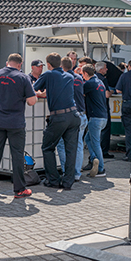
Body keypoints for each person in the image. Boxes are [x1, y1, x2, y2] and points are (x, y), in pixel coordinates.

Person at [0, 53, 37, 199]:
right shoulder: (23, 78)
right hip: (16, 123)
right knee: (17, 155)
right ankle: (19, 190)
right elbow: (32, 101)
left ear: (8, 62)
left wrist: (1, 95)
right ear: (20, 64)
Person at [33, 52, 81, 189]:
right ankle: (68, 182)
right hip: (73, 115)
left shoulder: (48, 74)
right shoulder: (69, 76)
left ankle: (53, 180)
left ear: (48, 65)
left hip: (59, 117)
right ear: (60, 63)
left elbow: (32, 89)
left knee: (47, 147)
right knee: (71, 150)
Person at [58, 56, 88, 181]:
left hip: (70, 115)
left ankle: (67, 172)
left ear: (61, 67)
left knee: (61, 144)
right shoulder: (79, 78)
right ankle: (76, 173)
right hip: (82, 115)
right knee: (78, 144)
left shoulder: (63, 78)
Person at [81, 64, 108, 177]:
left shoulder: (89, 84)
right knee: (88, 138)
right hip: (103, 117)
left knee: (96, 143)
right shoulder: (99, 82)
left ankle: (100, 168)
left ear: (85, 74)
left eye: (82, 74)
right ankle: (94, 158)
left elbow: (78, 92)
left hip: (95, 117)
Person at [95, 61, 115, 159]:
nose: (107, 69)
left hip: (94, 108)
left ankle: (95, 152)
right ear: (101, 69)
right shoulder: (103, 79)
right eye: (106, 68)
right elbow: (106, 94)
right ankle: (104, 151)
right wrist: (111, 91)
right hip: (103, 107)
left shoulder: (92, 78)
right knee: (106, 129)